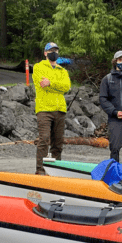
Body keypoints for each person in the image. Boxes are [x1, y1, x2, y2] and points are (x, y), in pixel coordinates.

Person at [32, 41, 72, 175]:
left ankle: (55, 171)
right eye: (50, 51)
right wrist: (55, 85)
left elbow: (66, 87)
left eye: (56, 51)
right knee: (44, 139)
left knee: (58, 143)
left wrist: (51, 83)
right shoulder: (38, 67)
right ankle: (40, 170)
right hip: (44, 109)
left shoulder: (63, 70)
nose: (53, 53)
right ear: (45, 53)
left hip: (60, 109)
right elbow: (41, 83)